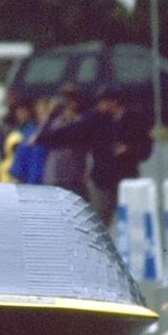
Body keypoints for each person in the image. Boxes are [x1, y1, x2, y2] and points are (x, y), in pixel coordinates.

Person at [88, 85, 153, 228]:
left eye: (103, 102)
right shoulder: (97, 120)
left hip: (127, 177)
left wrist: (128, 149)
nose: (100, 106)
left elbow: (146, 149)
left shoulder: (134, 120)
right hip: (103, 179)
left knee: (131, 221)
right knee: (99, 223)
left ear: (114, 102)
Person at [36, 84, 99, 201]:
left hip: (74, 174)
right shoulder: (55, 120)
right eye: (65, 99)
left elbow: (75, 137)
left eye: (72, 99)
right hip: (54, 173)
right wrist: (50, 114)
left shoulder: (83, 120)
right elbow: (40, 137)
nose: (68, 103)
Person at [0, 95, 38, 183]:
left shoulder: (31, 130)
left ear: (28, 112)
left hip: (18, 173)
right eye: (18, 111)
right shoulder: (13, 128)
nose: (19, 114)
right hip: (7, 171)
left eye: (23, 111)